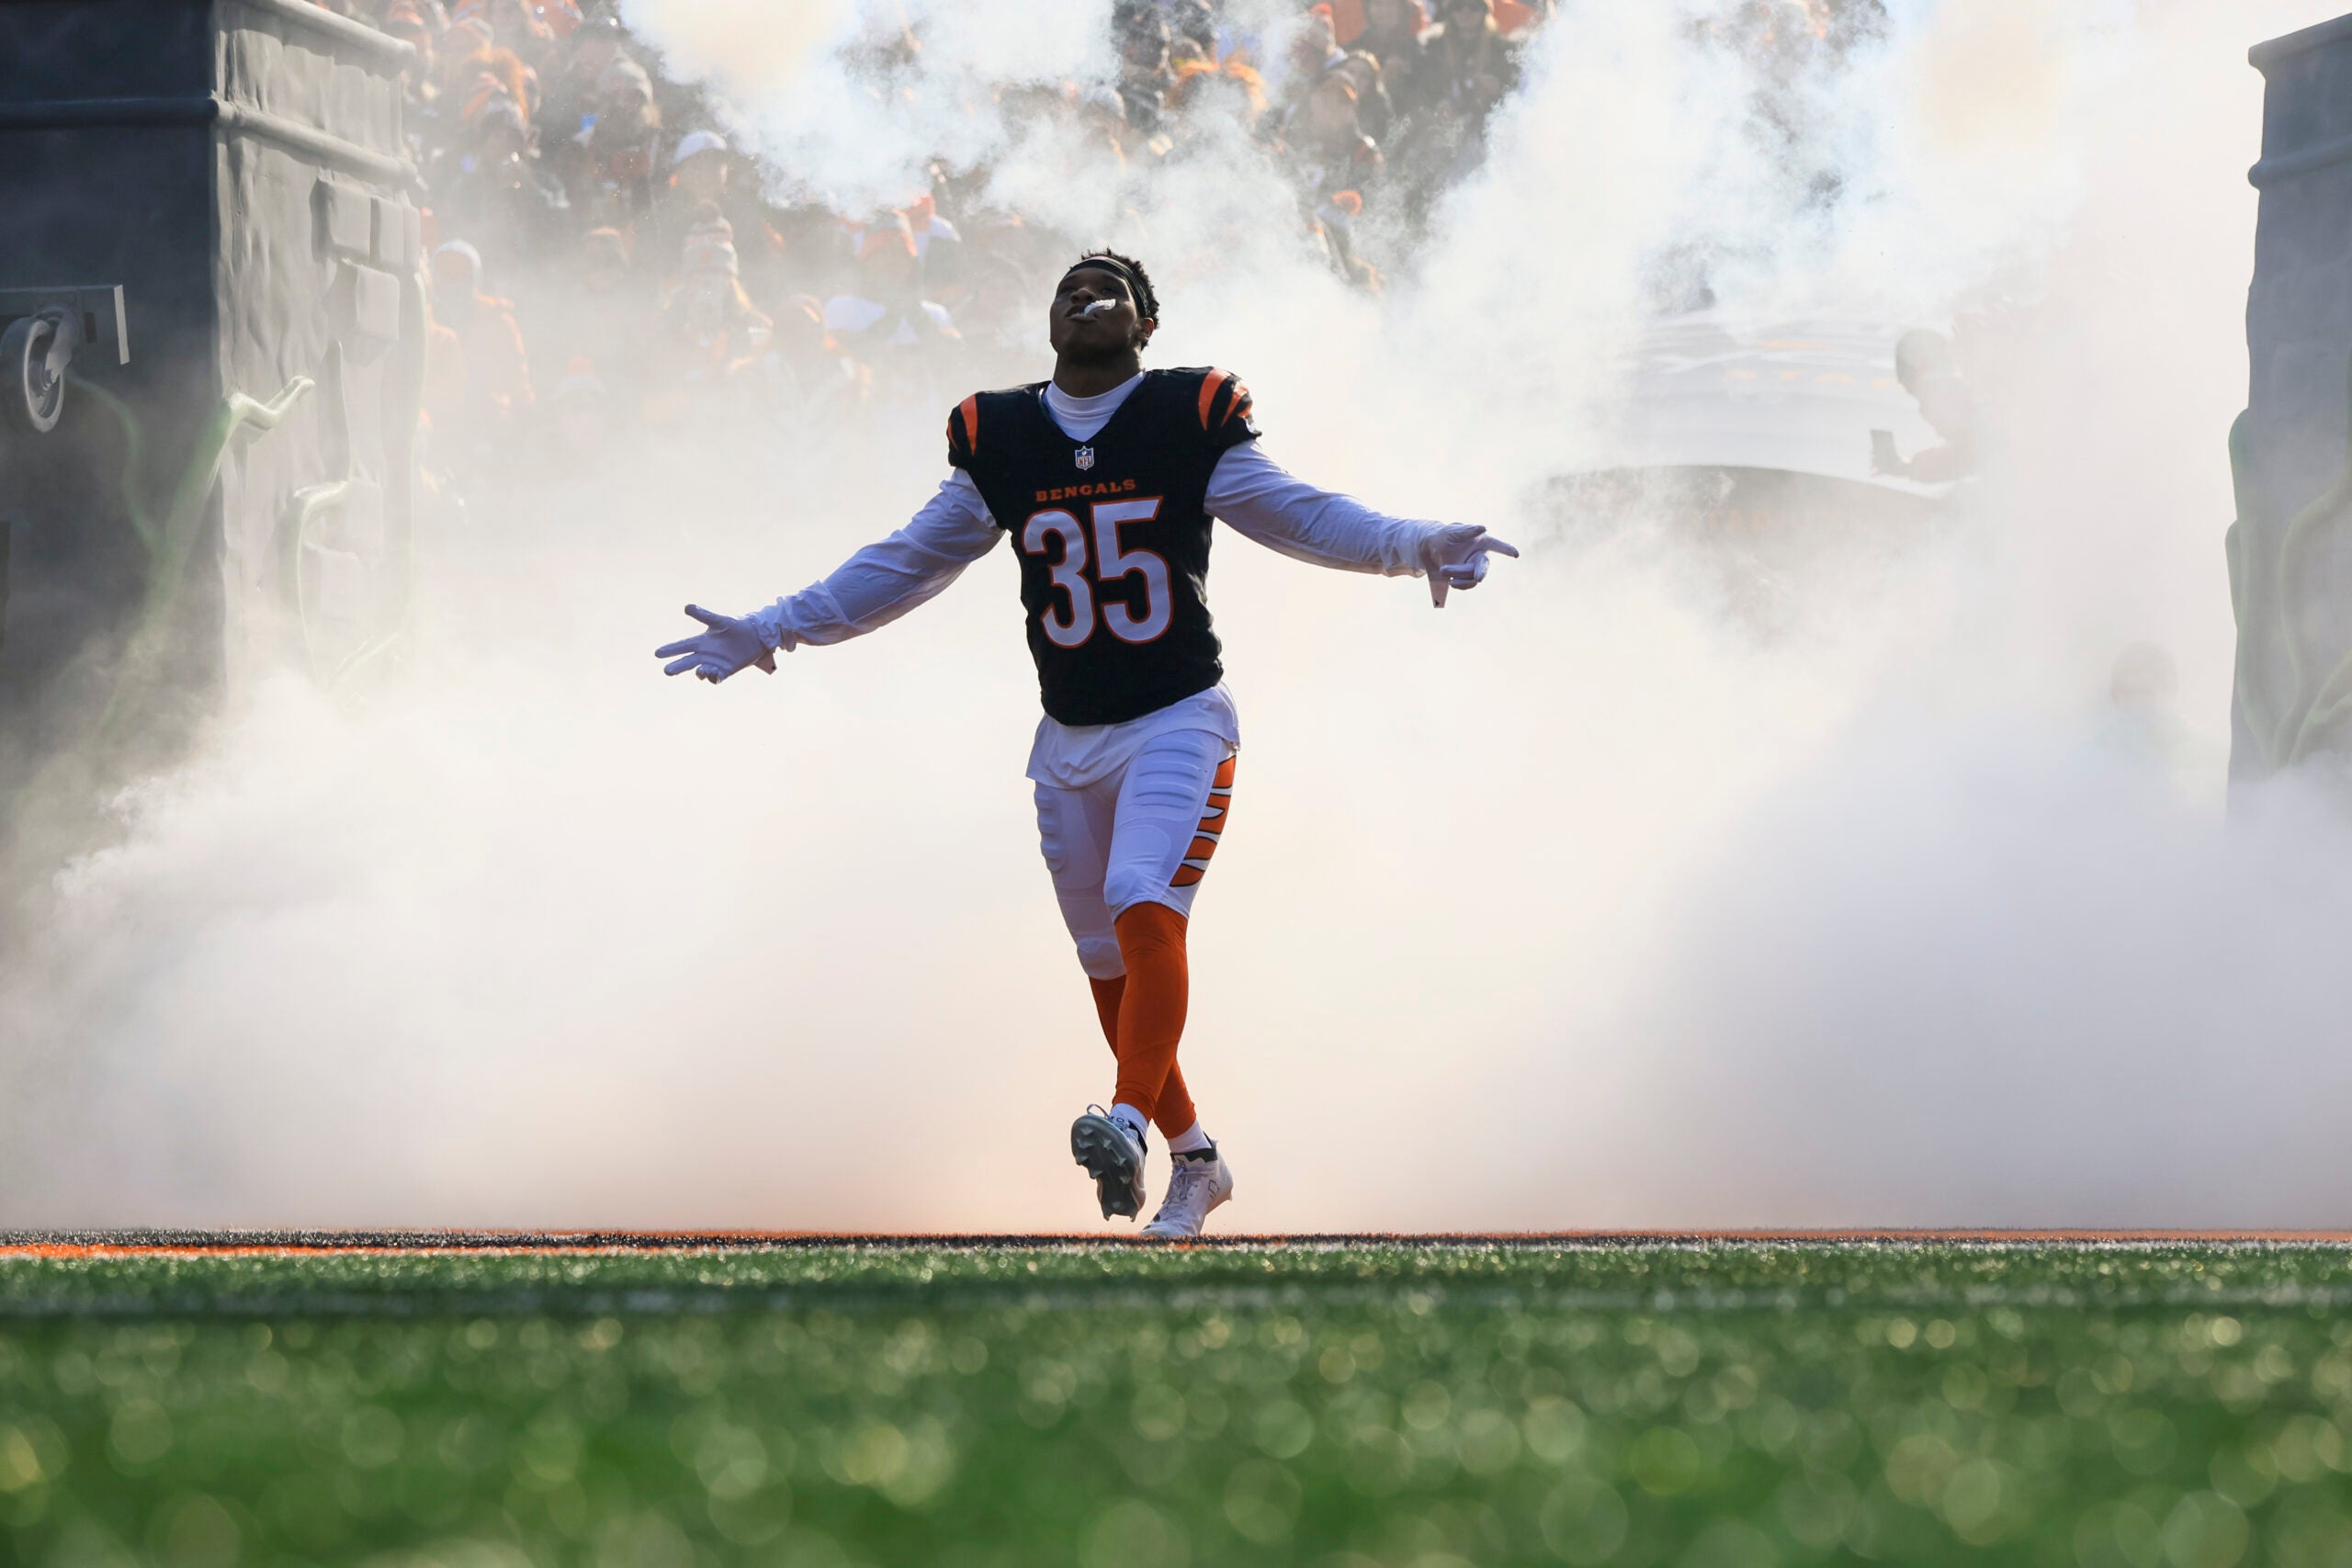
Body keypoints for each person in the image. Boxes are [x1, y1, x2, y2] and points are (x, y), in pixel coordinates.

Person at [652, 252, 1515, 1238]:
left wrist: (1413, 546)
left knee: (1143, 901)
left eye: (1113, 285)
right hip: (1065, 739)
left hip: (1176, 719)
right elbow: (901, 567)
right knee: (1107, 960)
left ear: (1146, 327)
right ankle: (1198, 1164)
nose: (1088, 291)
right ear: (1050, 322)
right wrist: (774, 625)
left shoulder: (1185, 417)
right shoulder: (1002, 436)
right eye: (1070, 283)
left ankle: (1127, 1123)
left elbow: (1304, 517)